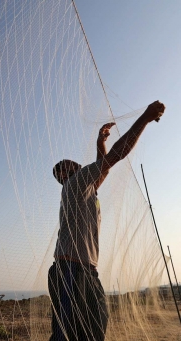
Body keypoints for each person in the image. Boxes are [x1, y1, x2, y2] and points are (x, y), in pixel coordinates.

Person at [48, 100, 166, 341]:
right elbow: (113, 158)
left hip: (87, 272)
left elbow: (104, 169)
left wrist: (100, 143)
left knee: (95, 330)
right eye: (69, 163)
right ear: (63, 174)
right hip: (69, 270)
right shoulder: (75, 183)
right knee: (65, 336)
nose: (76, 163)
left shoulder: (87, 189)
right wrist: (145, 118)